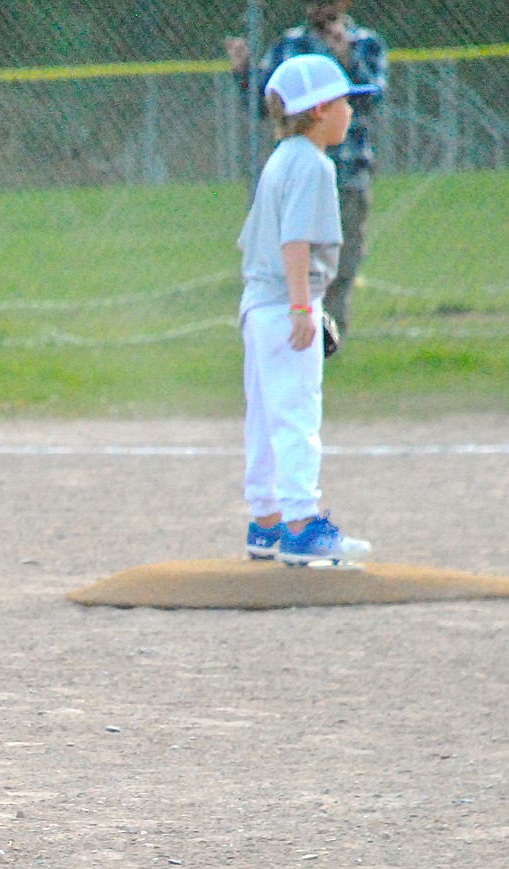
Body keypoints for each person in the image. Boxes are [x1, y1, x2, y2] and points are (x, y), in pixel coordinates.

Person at [238, 55, 377, 566]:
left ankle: (267, 521)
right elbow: (294, 241)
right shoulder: (313, 164)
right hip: (284, 304)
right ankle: (301, 526)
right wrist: (304, 308)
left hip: (259, 306)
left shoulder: (283, 156)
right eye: (344, 102)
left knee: (265, 416)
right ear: (318, 109)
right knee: (297, 415)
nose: (350, 112)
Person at [226, 1, 387, 342]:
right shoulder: (289, 45)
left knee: (340, 263)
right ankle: (302, 328)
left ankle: (329, 336)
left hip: (349, 170)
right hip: (304, 176)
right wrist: (244, 73)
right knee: (297, 256)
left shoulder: (365, 43)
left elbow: (372, 98)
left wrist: (346, 58)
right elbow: (265, 104)